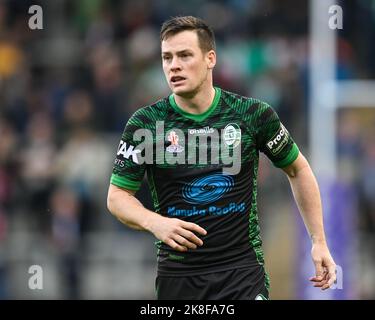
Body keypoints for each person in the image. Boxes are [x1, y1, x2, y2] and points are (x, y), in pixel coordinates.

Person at [107, 16, 336, 300]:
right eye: (167, 58)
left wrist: (319, 241)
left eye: (184, 55)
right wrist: (156, 222)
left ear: (210, 58)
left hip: (241, 272)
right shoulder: (146, 124)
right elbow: (117, 196)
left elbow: (297, 169)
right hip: (179, 276)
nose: (173, 65)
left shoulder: (252, 115)